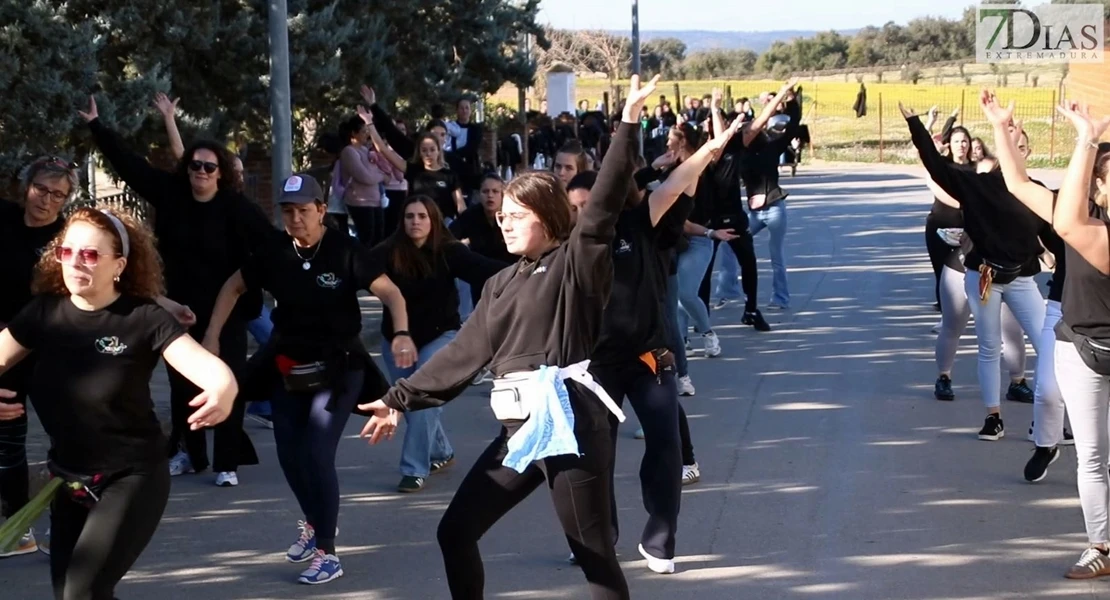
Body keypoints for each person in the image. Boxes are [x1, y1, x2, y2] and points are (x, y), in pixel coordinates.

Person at [357, 74, 662, 600]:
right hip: (520, 430)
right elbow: (464, 353)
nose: (505, 224)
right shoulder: (500, 282)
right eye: (502, 216)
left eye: (518, 216)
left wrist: (628, 125)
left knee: (593, 553)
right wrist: (396, 400)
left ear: (548, 218)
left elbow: (606, 203)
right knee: (454, 531)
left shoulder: (577, 263)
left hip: (571, 425)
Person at [0, 206, 237, 599]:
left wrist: (223, 389)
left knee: (82, 591)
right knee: (72, 594)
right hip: (68, 479)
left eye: (91, 255)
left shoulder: (144, 318)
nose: (76, 262)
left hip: (132, 476)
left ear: (119, 265)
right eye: (67, 252)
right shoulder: (43, 313)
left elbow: (209, 370)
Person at [203, 173, 409, 585]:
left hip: (339, 363)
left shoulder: (345, 250)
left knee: (316, 452)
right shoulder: (274, 252)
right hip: (287, 364)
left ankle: (328, 553)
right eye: (287, 211)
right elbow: (232, 286)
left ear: (320, 210)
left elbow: (391, 293)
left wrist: (401, 333)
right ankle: (315, 524)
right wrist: (210, 335)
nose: (295, 219)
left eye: (303, 210)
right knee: (289, 454)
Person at [566, 114, 743, 574]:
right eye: (577, 206)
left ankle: (661, 536)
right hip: (593, 365)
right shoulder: (567, 246)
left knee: (665, 442)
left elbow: (675, 184)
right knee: (592, 451)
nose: (586, 211)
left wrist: (707, 151)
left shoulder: (635, 224)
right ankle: (599, 534)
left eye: (591, 201)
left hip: (650, 354)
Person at [81, 95, 271, 486]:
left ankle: (227, 464)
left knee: (225, 379)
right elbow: (130, 165)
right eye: (195, 165)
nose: (201, 171)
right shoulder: (171, 195)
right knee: (182, 384)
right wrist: (98, 127)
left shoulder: (237, 209)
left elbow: (271, 246)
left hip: (226, 309)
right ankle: (192, 453)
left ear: (221, 173)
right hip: (175, 307)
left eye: (209, 167)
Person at [903, 101, 1047, 442]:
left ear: (1028, 151)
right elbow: (937, 168)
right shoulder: (982, 185)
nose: (1018, 151)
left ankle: (1050, 418)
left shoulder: (1037, 190)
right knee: (987, 345)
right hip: (983, 276)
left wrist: (1052, 254)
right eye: (1012, 146)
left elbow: (1057, 229)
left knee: (1050, 344)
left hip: (1021, 277)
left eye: (1023, 146)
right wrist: (916, 124)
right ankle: (992, 416)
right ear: (1002, 153)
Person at [372, 194, 508, 493]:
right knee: (411, 405)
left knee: (419, 396)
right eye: (410, 216)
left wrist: (528, 268)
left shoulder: (449, 252)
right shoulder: (388, 252)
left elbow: (485, 269)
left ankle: (413, 468)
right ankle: (442, 452)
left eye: (422, 216)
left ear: (433, 221)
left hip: (440, 336)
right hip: (396, 339)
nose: (416, 222)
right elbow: (356, 270)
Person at [1042, 101, 1110, 579]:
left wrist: (1087, 138)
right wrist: (1004, 132)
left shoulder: (1096, 235)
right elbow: (1021, 186)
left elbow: (1066, 223)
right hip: (1081, 351)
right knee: (1091, 454)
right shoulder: (1088, 222)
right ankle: (1101, 546)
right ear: (1099, 186)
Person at [0, 156, 77, 558]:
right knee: (7, 443)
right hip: (5, 352)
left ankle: (74, 527)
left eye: (58, 195)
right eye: (41, 189)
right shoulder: (4, 219)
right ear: (25, 186)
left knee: (69, 443)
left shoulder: (70, 236)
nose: (47, 200)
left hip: (52, 353)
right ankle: (19, 531)